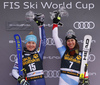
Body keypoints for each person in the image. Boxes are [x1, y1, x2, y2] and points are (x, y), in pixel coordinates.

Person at [52, 13, 90, 85]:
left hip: (76, 80)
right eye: (68, 41)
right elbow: (55, 37)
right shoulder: (63, 51)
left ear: (75, 41)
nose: (70, 43)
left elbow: (85, 68)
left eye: (72, 40)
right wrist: (55, 24)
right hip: (63, 80)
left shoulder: (81, 54)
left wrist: (86, 79)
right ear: (66, 42)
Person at [12, 13, 46, 85]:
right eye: (29, 43)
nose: (31, 45)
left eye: (33, 43)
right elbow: (14, 71)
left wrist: (40, 26)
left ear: (35, 44)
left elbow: (43, 41)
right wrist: (21, 79)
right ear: (26, 44)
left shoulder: (39, 53)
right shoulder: (21, 57)